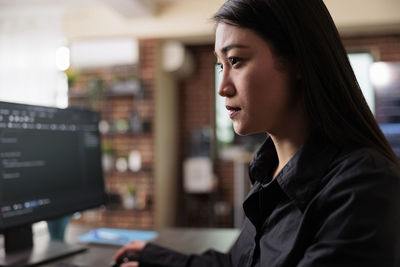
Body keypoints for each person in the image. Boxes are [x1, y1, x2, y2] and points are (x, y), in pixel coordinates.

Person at [113, 0, 400, 266]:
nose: (222, 86)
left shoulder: (363, 186)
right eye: (219, 66)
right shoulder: (269, 170)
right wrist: (157, 258)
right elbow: (238, 263)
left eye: (236, 61)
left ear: (298, 61)